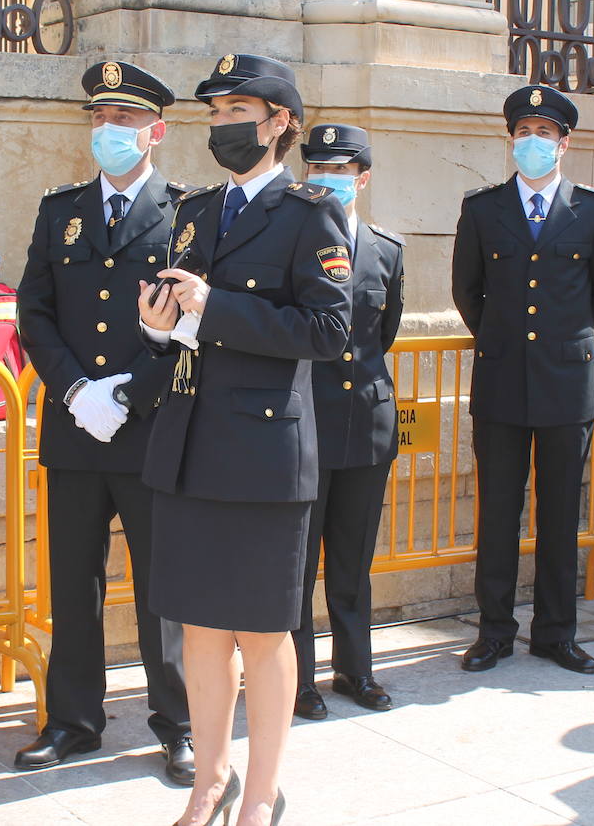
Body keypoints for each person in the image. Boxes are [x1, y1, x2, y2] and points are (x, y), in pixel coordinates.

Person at [137, 53, 352, 826]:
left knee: (261, 632)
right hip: (191, 442)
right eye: (215, 113)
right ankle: (211, 780)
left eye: (237, 112)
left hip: (264, 452)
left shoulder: (310, 213)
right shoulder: (196, 210)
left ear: (280, 122)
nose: (222, 125)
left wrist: (214, 306)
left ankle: (261, 793)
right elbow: (188, 326)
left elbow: (328, 331)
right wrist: (159, 327)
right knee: (199, 627)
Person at [14, 61, 193, 782]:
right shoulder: (61, 209)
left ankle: (178, 725)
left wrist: (128, 394)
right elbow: (34, 310)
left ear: (156, 131)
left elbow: (190, 328)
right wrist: (75, 391)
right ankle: (72, 721)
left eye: (123, 120)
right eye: (98, 118)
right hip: (76, 429)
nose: (107, 130)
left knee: (162, 590)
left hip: (149, 430)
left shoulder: (186, 214)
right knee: (73, 585)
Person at [450, 84, 594, 676]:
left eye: (544, 133)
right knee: (498, 513)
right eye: (523, 133)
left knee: (559, 515)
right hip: (501, 380)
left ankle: (556, 633)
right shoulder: (483, 208)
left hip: (565, 384)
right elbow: (467, 290)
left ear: (563, 143)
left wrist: (561, 343)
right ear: (510, 140)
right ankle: (494, 632)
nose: (533, 142)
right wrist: (502, 339)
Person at [291, 124, 404, 719]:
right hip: (304, 423)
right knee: (297, 564)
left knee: (352, 561)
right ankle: (296, 680)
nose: (327, 180)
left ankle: (355, 670)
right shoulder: (290, 239)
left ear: (362, 179)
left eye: (340, 170)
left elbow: (382, 334)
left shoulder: (387, 249)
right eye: (318, 169)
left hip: (364, 423)